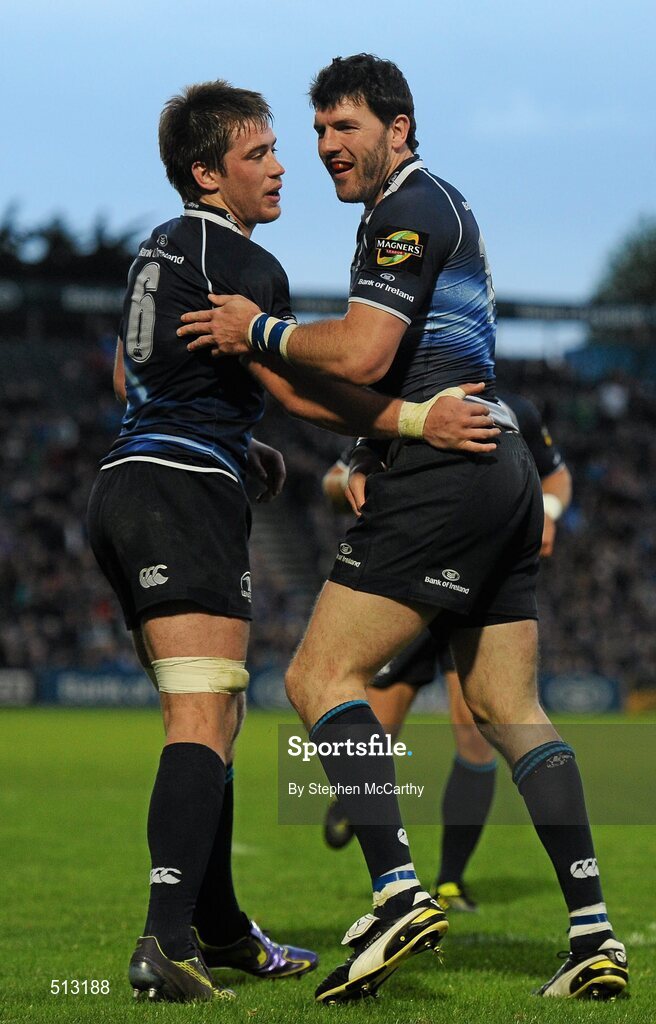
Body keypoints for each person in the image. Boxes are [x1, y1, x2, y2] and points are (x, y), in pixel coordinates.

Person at [178, 55, 628, 1004]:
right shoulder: (417, 213)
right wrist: (278, 376)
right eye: (316, 135)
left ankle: (395, 892)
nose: (326, 149)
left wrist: (259, 330)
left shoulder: (409, 209)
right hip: (491, 466)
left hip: (447, 473)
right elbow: (352, 388)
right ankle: (593, 935)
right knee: (510, 706)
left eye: (344, 128)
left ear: (399, 127)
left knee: (314, 677)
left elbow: (369, 350)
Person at [87, 78, 499, 1004]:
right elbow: (312, 390)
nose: (284, 168)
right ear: (207, 172)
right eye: (260, 153)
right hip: (183, 492)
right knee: (203, 718)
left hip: (128, 484)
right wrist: (415, 421)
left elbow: (134, 368)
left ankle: (222, 928)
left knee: (216, 717)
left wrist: (241, 447)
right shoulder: (244, 265)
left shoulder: (159, 248)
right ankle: (163, 941)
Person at [322, 394, 573, 917]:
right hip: (408, 571)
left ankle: (450, 881)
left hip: (475, 573)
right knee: (379, 728)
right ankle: (356, 798)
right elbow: (337, 473)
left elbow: (557, 476)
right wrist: (350, 478)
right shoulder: (406, 399)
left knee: (477, 729)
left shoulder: (516, 410)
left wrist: (547, 513)